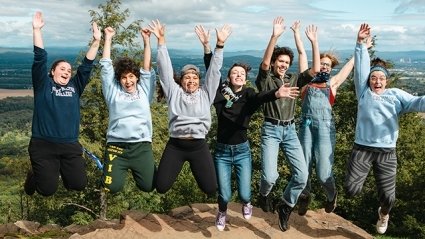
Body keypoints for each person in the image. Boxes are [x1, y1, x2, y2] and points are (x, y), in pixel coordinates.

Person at [195, 25, 300, 231]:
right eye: (235, 72)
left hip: (242, 151)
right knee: (224, 194)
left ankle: (248, 203)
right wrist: (210, 45)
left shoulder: (249, 94)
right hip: (222, 151)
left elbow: (262, 97)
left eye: (242, 73)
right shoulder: (220, 92)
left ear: (245, 77)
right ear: (229, 77)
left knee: (244, 194)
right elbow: (212, 69)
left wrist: (276, 94)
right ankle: (222, 212)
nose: (239, 75)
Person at [345, 23, 425, 235]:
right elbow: (361, 69)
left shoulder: (396, 95)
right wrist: (361, 44)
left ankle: (383, 213)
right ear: (369, 81)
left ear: (386, 81)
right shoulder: (363, 93)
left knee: (389, 197)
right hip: (362, 148)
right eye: (373, 77)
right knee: (352, 190)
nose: (377, 81)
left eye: (381, 78)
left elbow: (418, 102)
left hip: (387, 152)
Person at [148, 20, 231, 196]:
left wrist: (219, 45)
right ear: (181, 80)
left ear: (199, 81)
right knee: (161, 187)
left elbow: (214, 71)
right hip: (176, 145)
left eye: (194, 77)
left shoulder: (206, 93)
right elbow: (164, 69)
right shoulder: (174, 92)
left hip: (199, 146)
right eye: (187, 77)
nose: (191, 80)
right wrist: (161, 41)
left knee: (210, 189)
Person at [24, 11, 101, 196]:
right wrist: (36, 30)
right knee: (46, 190)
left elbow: (86, 66)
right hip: (43, 145)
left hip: (69, 145)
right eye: (62, 69)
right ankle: (36, 175)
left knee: (78, 184)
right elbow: (40, 58)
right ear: (52, 72)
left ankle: (57, 171)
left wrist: (97, 41)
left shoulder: (75, 86)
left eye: (69, 69)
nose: (67, 71)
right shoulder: (43, 85)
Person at [255, 16, 319, 232]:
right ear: (274, 62)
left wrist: (313, 42)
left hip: (290, 130)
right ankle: (263, 194)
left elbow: (315, 71)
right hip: (271, 130)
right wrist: (274, 36)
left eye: (286, 62)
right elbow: (264, 65)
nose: (282, 65)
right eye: (279, 61)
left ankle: (286, 205)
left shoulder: (293, 79)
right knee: (270, 176)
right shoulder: (266, 80)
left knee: (302, 176)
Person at [290, 21, 360, 216]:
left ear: (331, 68)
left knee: (323, 172)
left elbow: (350, 65)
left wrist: (360, 45)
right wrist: (298, 34)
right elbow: (302, 53)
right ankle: (304, 196)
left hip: (325, 128)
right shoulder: (306, 81)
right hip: (305, 125)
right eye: (322, 64)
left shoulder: (333, 83)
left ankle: (331, 195)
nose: (325, 67)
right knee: (303, 166)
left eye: (328, 65)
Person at [99, 25, 156, 194]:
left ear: (136, 78)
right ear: (119, 79)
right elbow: (106, 67)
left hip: (141, 146)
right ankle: (110, 170)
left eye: (131, 76)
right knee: (111, 187)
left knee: (149, 186)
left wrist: (146, 41)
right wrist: (108, 38)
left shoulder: (145, 90)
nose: (128, 80)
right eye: (124, 77)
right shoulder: (113, 92)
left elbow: (147, 68)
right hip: (116, 146)